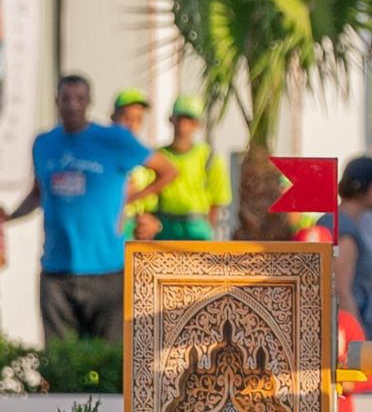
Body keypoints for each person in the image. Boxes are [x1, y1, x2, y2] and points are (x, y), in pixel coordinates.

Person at [0, 76, 179, 341]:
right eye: (66, 99)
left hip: (105, 271)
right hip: (56, 272)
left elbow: (168, 171)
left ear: (89, 103)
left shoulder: (114, 140)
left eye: (79, 99)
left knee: (107, 362)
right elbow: (39, 193)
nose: (72, 105)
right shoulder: (44, 143)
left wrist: (129, 200)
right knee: (60, 362)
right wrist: (9, 216)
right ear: (56, 102)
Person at [150, 95, 232, 240]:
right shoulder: (158, 156)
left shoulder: (210, 158)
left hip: (197, 226)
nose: (183, 126)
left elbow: (218, 199)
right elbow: (148, 194)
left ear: (198, 125)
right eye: (179, 120)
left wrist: (206, 228)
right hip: (163, 226)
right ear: (171, 120)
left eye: (189, 121)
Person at [333, 156, 372, 328]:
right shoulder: (346, 229)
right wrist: (358, 342)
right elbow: (341, 291)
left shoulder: (335, 222)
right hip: (346, 332)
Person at [113, 89, 161, 242]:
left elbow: (152, 210)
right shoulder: (101, 154)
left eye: (138, 119)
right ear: (113, 117)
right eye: (126, 117)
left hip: (135, 233)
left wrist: (152, 223)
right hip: (106, 228)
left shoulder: (146, 160)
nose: (132, 124)